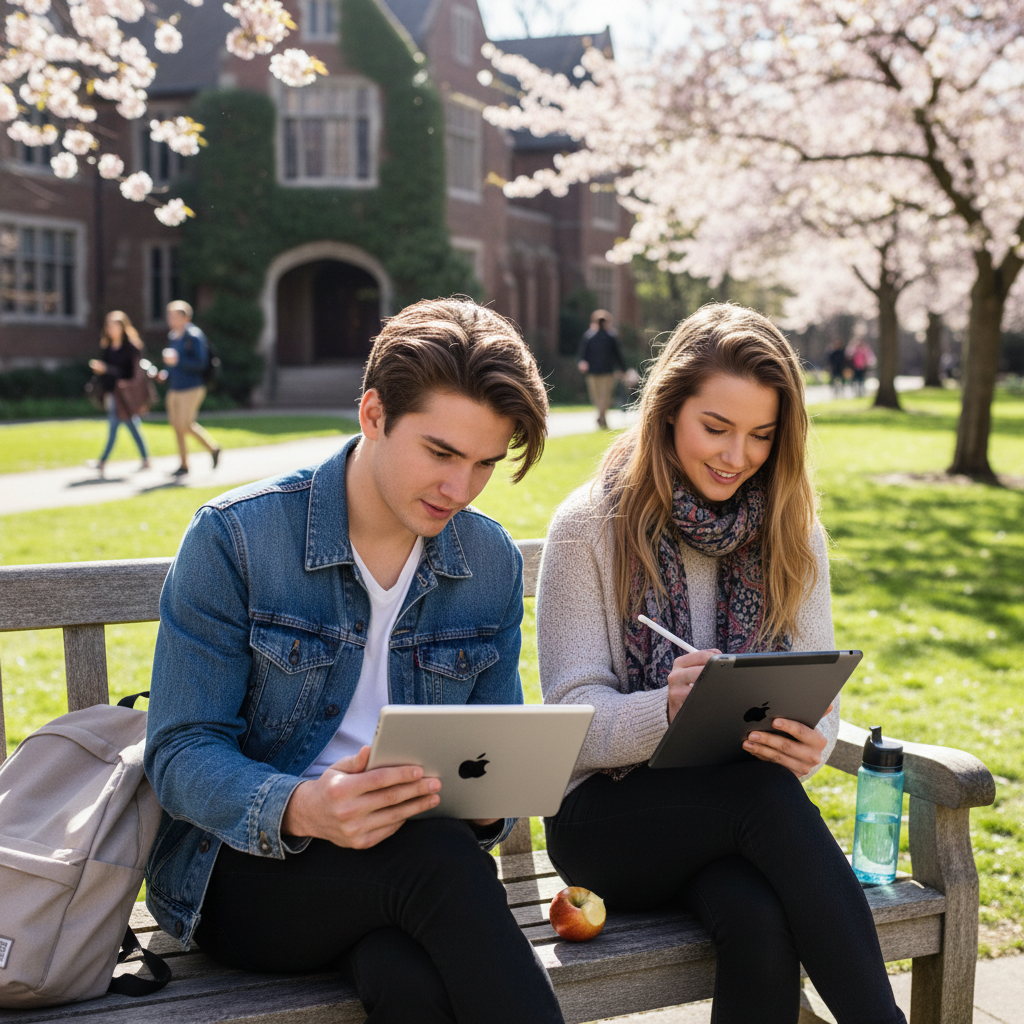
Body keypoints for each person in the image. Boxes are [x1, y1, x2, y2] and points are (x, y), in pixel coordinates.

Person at [143, 298, 565, 1024]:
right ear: (373, 414)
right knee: (439, 864)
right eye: (440, 453)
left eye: (484, 464)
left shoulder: (488, 559)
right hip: (246, 871)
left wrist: (489, 798)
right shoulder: (236, 539)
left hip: (408, 872)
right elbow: (179, 752)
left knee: (405, 979)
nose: (458, 490)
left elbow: (492, 750)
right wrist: (305, 807)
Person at [537, 303, 907, 1024]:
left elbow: (817, 696)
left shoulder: (793, 532)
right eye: (716, 428)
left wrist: (812, 738)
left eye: (762, 436)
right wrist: (669, 710)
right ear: (668, 411)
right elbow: (569, 726)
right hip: (607, 823)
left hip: (733, 823)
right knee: (760, 798)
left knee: (760, 915)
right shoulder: (591, 525)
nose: (737, 456)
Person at [159, 300, 221, 477]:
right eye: (169, 315)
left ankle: (213, 449)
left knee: (186, 425)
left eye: (174, 316)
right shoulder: (173, 336)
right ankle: (184, 464)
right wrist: (166, 373)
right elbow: (173, 365)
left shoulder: (194, 335)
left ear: (186, 317)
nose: (171, 319)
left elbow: (200, 364)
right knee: (177, 426)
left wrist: (177, 361)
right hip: (175, 387)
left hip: (192, 387)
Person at [87, 310, 151, 476]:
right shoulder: (107, 347)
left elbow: (132, 374)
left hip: (125, 394)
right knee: (132, 425)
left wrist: (107, 368)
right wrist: (101, 370)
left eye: (115, 326)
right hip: (111, 391)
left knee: (114, 425)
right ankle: (146, 459)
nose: (111, 329)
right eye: (109, 326)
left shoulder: (131, 347)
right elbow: (108, 371)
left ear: (123, 327)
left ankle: (102, 462)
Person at [578, 308, 627, 428]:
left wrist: (582, 362)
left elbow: (582, 355)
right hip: (604, 372)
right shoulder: (592, 337)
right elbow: (618, 356)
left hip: (600, 372)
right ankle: (602, 417)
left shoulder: (606, 337)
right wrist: (623, 370)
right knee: (603, 397)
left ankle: (601, 417)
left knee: (599, 397)